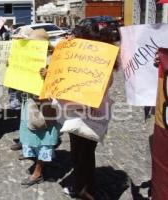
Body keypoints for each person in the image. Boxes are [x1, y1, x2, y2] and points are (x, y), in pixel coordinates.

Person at [58, 26, 117, 200]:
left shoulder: (102, 63)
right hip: (76, 113)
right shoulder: (81, 60)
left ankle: (86, 190)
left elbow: (101, 86)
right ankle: (80, 186)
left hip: (89, 115)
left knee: (84, 155)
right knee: (77, 154)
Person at [18, 29, 60, 187]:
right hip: (29, 101)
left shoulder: (55, 58)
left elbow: (64, 80)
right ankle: (39, 161)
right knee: (31, 133)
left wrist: (50, 74)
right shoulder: (29, 57)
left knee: (44, 137)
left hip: (45, 105)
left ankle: (38, 172)